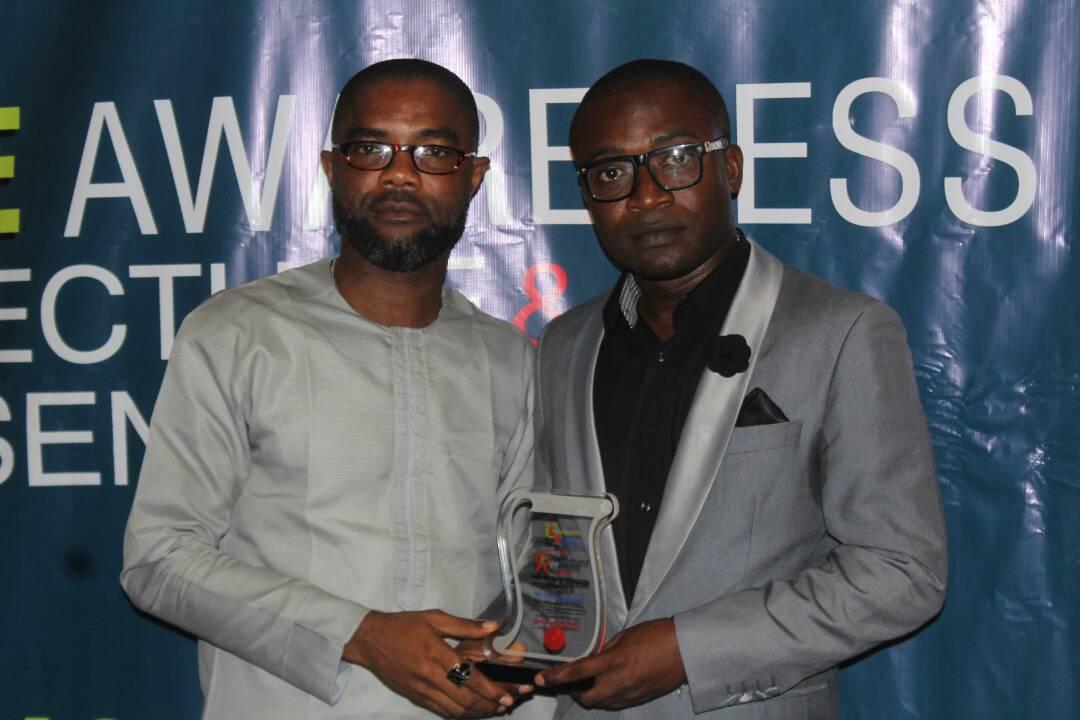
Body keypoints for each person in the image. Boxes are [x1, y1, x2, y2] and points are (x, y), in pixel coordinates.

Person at [121, 59, 551, 719]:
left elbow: (530, 574)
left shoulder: (510, 359)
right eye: (370, 149)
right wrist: (360, 634)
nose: (400, 174)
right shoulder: (238, 333)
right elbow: (158, 559)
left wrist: (493, 661)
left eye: (434, 152)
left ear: (474, 176)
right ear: (330, 168)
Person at [531, 59, 948, 719]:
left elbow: (902, 572)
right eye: (611, 173)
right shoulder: (564, 346)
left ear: (730, 169)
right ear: (587, 196)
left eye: (675, 159)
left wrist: (690, 650)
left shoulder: (842, 331)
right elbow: (557, 557)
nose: (646, 196)